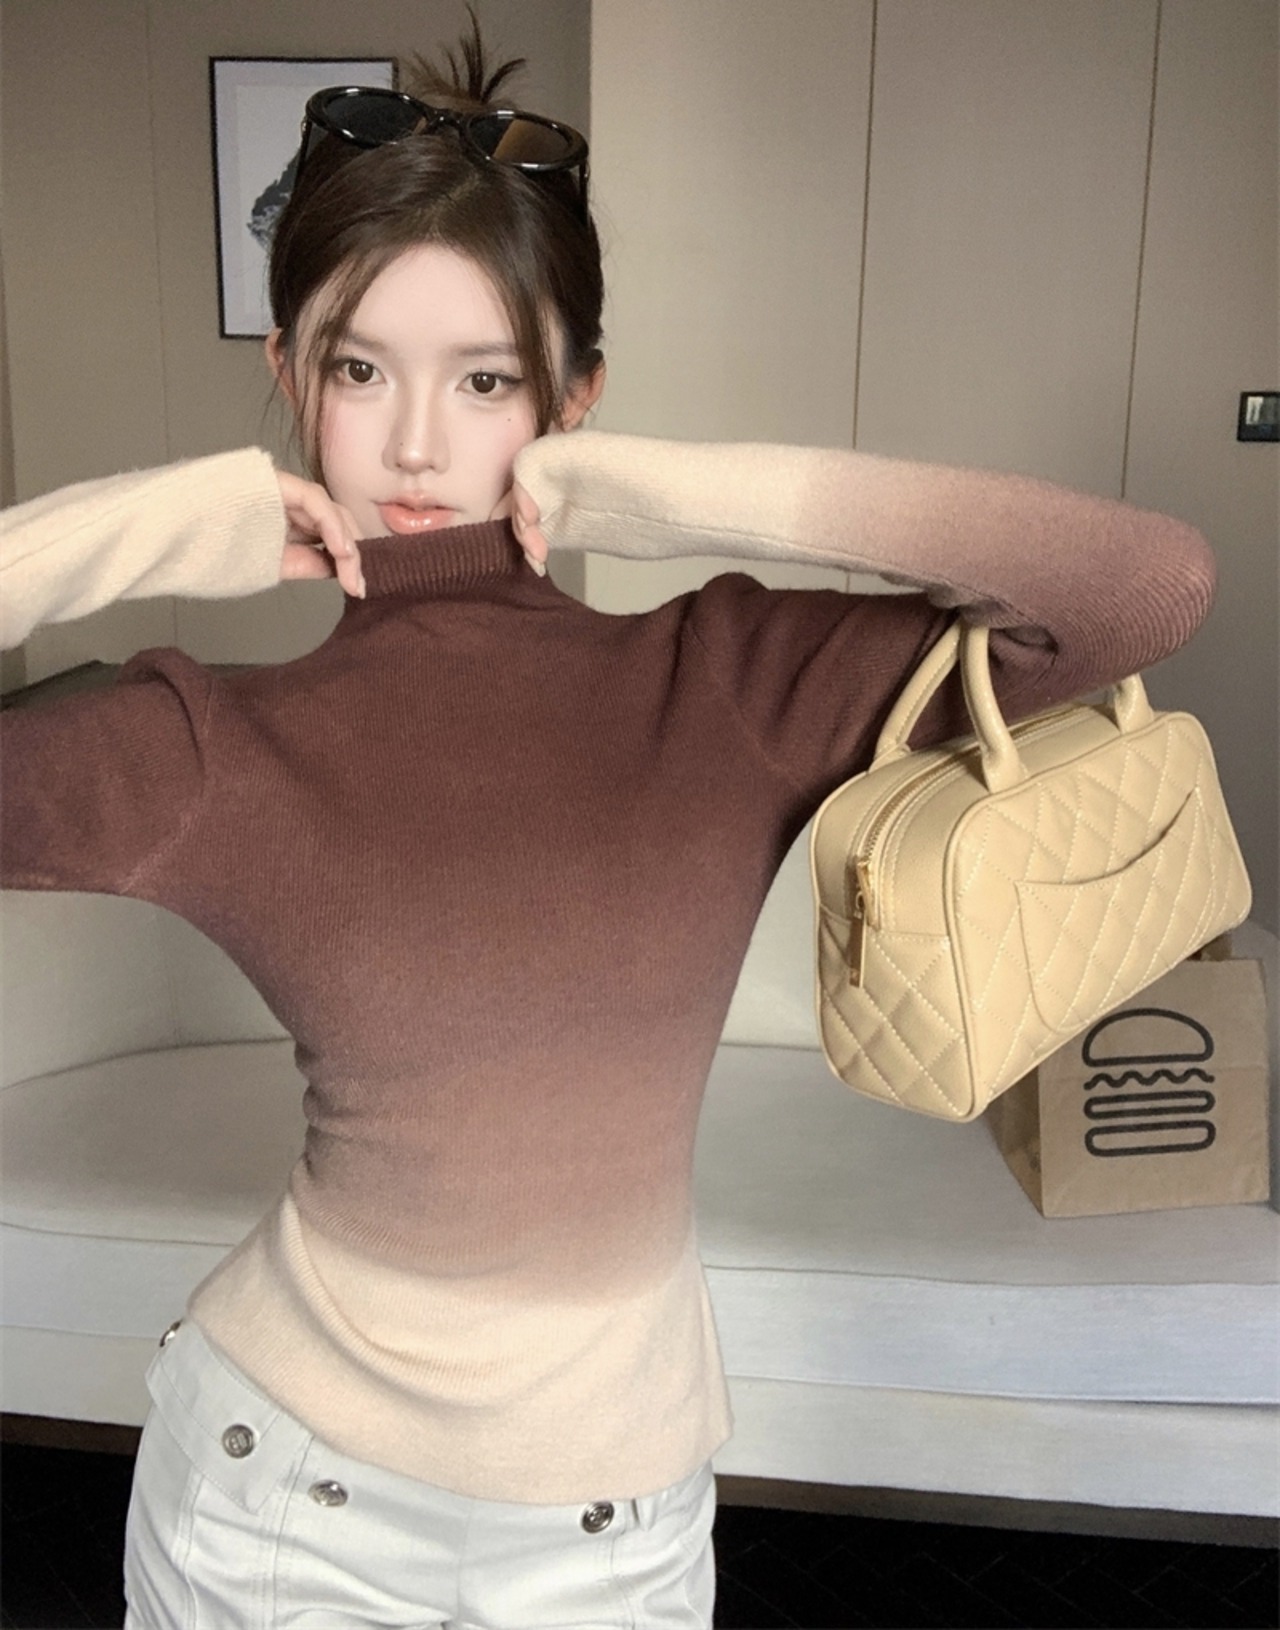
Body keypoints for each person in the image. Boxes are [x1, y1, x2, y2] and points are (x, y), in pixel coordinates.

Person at [0, 23, 1216, 1630]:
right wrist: (148, 525)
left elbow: (1144, 590)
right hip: (279, 1507)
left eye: (486, 378)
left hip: (612, 1538)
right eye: (359, 369)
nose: (416, 442)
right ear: (292, 379)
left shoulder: (721, 681)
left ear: (574, 394)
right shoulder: (210, 746)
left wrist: (684, 496)